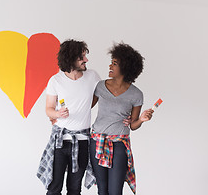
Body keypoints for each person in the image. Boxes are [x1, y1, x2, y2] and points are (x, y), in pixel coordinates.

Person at [37, 39, 101, 195]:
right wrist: (58, 114)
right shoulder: (56, 80)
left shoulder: (92, 76)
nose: (86, 60)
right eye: (82, 57)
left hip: (83, 142)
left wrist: (85, 106)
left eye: (85, 56)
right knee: (54, 189)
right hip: (60, 142)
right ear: (71, 59)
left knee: (74, 189)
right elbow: (49, 109)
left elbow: (98, 97)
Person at [90, 42, 153, 195]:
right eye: (111, 62)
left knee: (115, 191)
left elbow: (133, 125)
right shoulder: (100, 86)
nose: (110, 66)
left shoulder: (136, 94)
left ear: (125, 68)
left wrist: (142, 120)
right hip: (97, 141)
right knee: (102, 190)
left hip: (119, 144)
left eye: (115, 63)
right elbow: (85, 108)